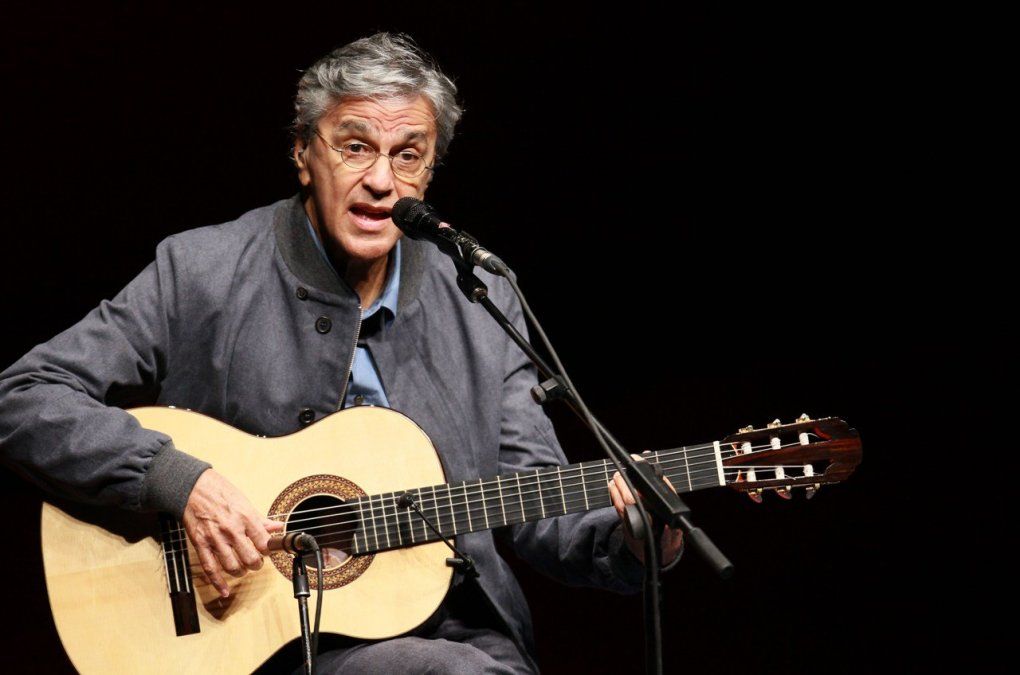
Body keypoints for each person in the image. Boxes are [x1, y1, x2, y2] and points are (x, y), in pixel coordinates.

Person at [0, 32, 681, 673]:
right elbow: (24, 397)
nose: (382, 180)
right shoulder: (202, 270)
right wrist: (180, 482)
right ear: (303, 153)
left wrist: (637, 535)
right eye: (356, 147)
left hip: (456, 633)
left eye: (408, 155)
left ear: (429, 171)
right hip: (261, 638)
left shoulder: (480, 297)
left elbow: (543, 510)